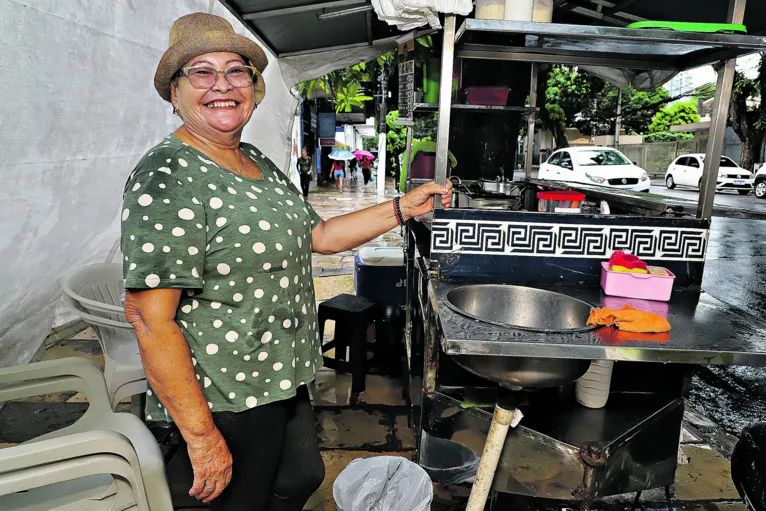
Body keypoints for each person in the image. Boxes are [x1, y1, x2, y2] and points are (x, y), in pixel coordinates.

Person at [120, 12, 451, 511]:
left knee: (300, 476)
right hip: (225, 388)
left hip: (280, 373)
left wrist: (403, 207)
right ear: (174, 92)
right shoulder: (169, 175)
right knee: (242, 498)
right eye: (202, 72)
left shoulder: (256, 160)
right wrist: (201, 434)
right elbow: (149, 316)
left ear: (253, 87)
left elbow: (319, 234)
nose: (222, 85)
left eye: (236, 71)